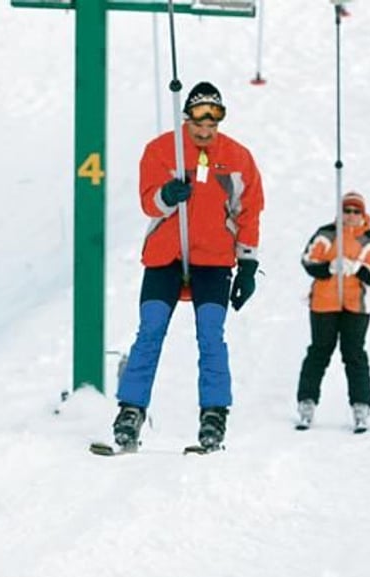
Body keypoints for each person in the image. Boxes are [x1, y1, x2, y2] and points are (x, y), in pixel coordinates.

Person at [109, 81, 265, 452]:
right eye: (199, 122)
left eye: (213, 122)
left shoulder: (238, 158)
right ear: (187, 117)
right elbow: (149, 202)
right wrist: (167, 195)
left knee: (211, 333)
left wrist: (247, 263)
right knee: (150, 329)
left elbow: (249, 211)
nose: (206, 130)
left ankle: (214, 413)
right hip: (166, 255)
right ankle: (131, 410)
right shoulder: (164, 151)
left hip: (212, 259)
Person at [295, 192, 370, 433]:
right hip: (324, 303)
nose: (351, 216)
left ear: (363, 214)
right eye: (347, 211)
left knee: (354, 354)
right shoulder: (327, 234)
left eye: (356, 212)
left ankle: (361, 405)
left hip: (356, 305)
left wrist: (359, 269)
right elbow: (308, 260)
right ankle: (307, 401)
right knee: (319, 351)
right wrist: (328, 267)